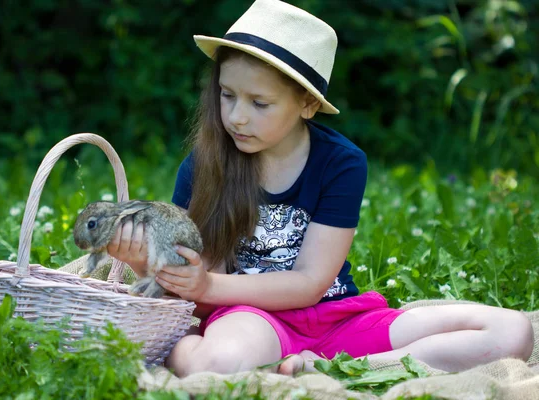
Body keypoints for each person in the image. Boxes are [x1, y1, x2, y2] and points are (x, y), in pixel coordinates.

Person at [107, 0, 534, 377]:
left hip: (334, 319)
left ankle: (331, 368)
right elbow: (201, 281)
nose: (236, 117)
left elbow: (311, 281)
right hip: (250, 319)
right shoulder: (204, 166)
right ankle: (193, 352)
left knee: (512, 331)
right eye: (227, 94)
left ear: (307, 104)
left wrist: (206, 288)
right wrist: (151, 266)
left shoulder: (341, 163)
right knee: (217, 365)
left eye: (259, 103)